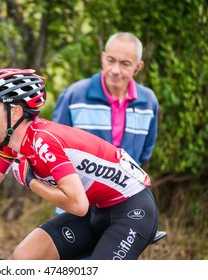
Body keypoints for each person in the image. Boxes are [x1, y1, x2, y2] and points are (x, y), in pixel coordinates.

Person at [0, 68, 159, 260]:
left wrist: (32, 182)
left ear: (15, 112)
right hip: (97, 209)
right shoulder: (11, 143)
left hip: (132, 211)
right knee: (23, 261)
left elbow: (77, 205)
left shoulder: (44, 142)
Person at [52, 32, 159, 215]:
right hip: (76, 204)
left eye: (125, 64)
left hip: (124, 204)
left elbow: (145, 151)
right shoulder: (74, 95)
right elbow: (52, 148)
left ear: (138, 67)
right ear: (103, 58)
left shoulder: (148, 101)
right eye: (111, 60)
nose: (115, 70)